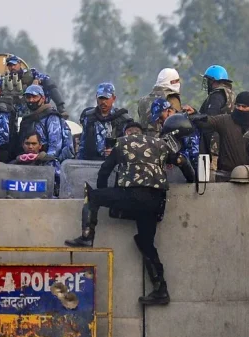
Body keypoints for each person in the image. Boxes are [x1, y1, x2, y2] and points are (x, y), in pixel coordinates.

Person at [65, 114, 196, 305]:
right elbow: (181, 162)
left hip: (132, 196)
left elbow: (105, 170)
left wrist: (104, 192)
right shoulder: (159, 145)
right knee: (145, 242)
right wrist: (192, 180)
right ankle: (160, 289)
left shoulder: (122, 143)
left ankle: (87, 236)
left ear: (127, 133)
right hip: (155, 201)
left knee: (92, 195)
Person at [185, 91, 249, 175]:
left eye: (244, 106)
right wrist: (194, 113)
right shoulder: (225, 121)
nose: (240, 109)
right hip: (225, 177)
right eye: (238, 105)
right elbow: (208, 121)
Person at [18, 85, 73, 163]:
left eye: (34, 97)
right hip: (30, 161)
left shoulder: (51, 117)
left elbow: (55, 146)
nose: (31, 100)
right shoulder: (27, 119)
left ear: (42, 98)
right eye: (28, 97)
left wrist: (45, 160)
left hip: (50, 163)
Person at [78, 83, 132, 160]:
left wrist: (116, 151)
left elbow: (130, 146)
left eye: (106, 98)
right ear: (96, 97)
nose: (103, 102)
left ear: (113, 98)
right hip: (91, 163)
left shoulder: (122, 118)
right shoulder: (89, 117)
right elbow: (82, 145)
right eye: (101, 98)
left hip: (115, 164)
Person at [198, 65, 236, 171]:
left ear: (214, 81)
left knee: (212, 178)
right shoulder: (230, 95)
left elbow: (210, 119)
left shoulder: (216, 96)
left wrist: (195, 118)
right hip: (227, 146)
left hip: (214, 147)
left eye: (208, 80)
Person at [151, 98, 199, 169]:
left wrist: (176, 159)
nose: (160, 121)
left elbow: (193, 150)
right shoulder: (167, 127)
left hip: (193, 166)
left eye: (161, 117)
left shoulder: (183, 123)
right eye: (158, 119)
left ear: (169, 111)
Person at [137, 68, 182, 134]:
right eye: (177, 81)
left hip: (144, 139)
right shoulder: (171, 97)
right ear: (171, 82)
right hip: (163, 140)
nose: (178, 83)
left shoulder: (143, 100)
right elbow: (178, 121)